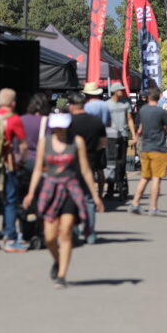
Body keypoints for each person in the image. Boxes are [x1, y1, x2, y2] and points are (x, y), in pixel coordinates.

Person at [23, 112, 103, 288]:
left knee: (66, 232)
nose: (59, 129)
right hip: (50, 189)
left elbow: (85, 170)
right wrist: (30, 193)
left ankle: (61, 276)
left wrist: (96, 195)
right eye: (56, 126)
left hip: (71, 190)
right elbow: (37, 169)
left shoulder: (77, 142)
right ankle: (58, 261)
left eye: (62, 126)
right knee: (50, 237)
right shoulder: (46, 142)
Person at [0, 88, 29, 253]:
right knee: (10, 200)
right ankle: (10, 239)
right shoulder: (13, 118)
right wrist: (21, 160)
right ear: (13, 103)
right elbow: (23, 145)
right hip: (7, 164)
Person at [68, 92, 106, 243]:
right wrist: (92, 151)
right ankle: (90, 232)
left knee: (71, 198)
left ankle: (75, 232)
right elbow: (103, 142)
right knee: (88, 198)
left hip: (69, 164)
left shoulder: (68, 122)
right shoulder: (96, 121)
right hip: (89, 162)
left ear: (71, 106)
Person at [129, 86, 167, 215]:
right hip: (158, 148)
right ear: (159, 97)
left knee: (144, 177)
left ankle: (135, 203)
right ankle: (153, 208)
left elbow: (140, 127)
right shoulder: (161, 112)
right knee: (156, 178)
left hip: (145, 148)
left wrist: (136, 137)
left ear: (148, 97)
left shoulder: (143, 111)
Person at [105, 82, 136, 198]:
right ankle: (110, 188)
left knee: (122, 162)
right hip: (110, 136)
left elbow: (130, 119)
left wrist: (133, 135)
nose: (122, 92)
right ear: (114, 91)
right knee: (111, 162)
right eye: (120, 90)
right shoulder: (107, 104)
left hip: (123, 135)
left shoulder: (125, 103)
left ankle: (121, 186)